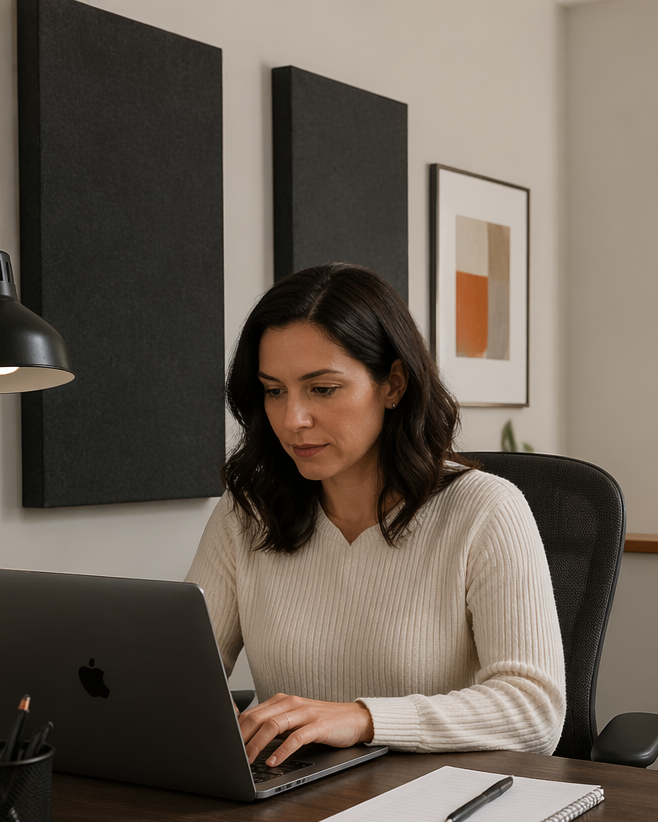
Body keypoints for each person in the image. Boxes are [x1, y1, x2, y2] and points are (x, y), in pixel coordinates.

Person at [186, 263, 564, 769]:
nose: (293, 419)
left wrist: (363, 718)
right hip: (286, 803)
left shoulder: (486, 509)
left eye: (322, 389)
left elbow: (536, 711)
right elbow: (180, 676)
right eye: (274, 391)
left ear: (393, 384)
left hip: (432, 807)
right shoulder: (247, 514)